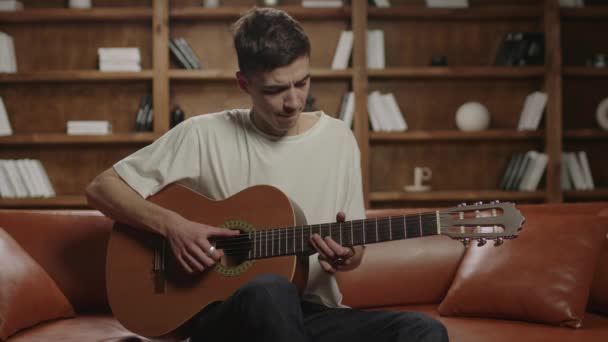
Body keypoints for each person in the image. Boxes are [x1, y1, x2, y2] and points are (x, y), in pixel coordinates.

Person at [85, 7, 448, 342]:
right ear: (244, 84)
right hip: (228, 317)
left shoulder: (339, 139)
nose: (294, 101)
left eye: (302, 82)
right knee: (270, 290)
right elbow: (102, 188)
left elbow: (355, 253)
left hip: (313, 316)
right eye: (275, 89)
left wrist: (347, 256)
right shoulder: (202, 134)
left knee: (424, 332)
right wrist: (172, 226)